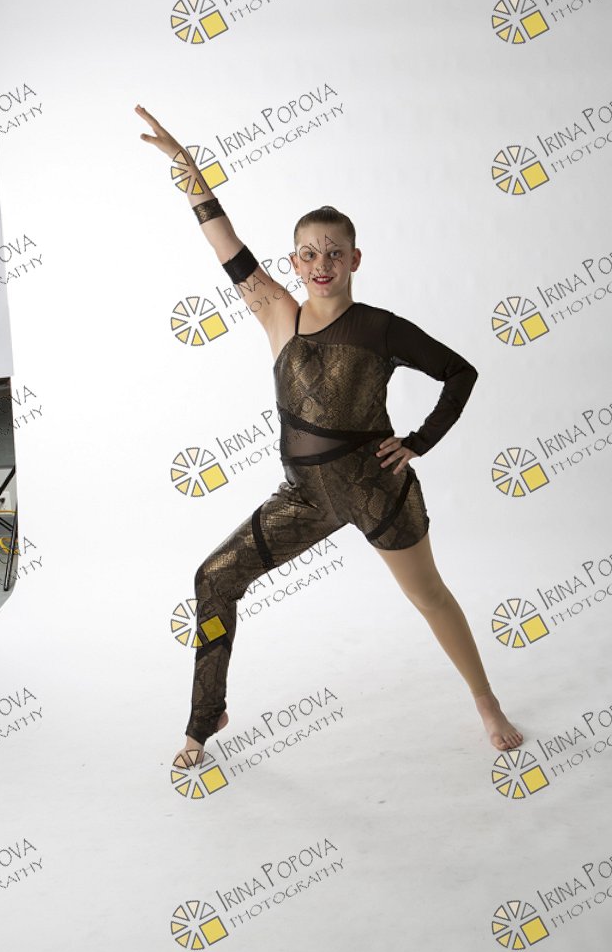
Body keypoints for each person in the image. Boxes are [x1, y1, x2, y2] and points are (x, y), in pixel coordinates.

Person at [135, 104, 523, 769]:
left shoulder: (380, 327)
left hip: (376, 491)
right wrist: (188, 168)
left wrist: (419, 441)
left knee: (429, 596)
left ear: (354, 259)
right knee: (214, 577)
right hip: (305, 497)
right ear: (294, 261)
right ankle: (206, 715)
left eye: (334, 253)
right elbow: (225, 243)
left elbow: (460, 372)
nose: (322, 263)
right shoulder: (277, 314)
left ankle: (487, 702)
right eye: (310, 253)